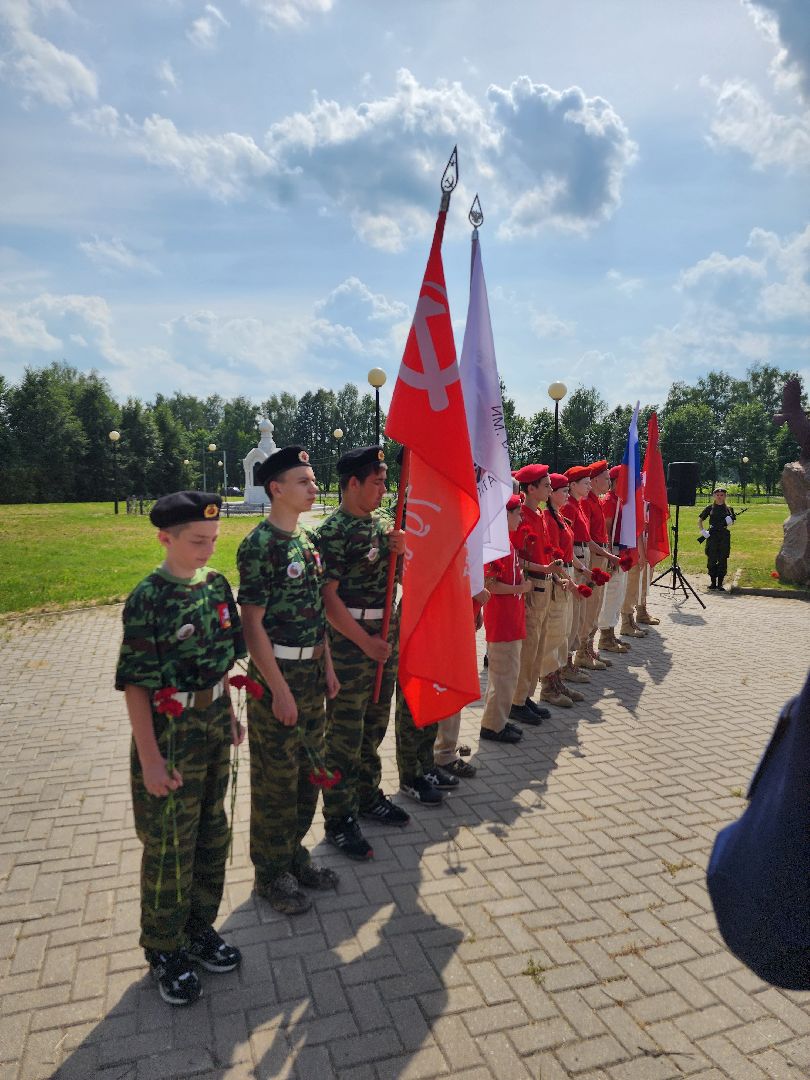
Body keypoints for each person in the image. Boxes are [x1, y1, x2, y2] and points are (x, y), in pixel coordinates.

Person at [116, 491, 246, 1006]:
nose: (208, 550)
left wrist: (230, 715)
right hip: (170, 738)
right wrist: (149, 758)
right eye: (197, 541)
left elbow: (221, 662)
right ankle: (164, 948)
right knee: (170, 844)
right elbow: (136, 685)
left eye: (213, 540)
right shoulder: (148, 597)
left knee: (212, 834)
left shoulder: (215, 585)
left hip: (214, 725)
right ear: (164, 539)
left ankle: (198, 928)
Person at [237, 446, 340, 917]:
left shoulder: (308, 543)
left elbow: (319, 614)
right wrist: (278, 690)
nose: (313, 488)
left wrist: (329, 666)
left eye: (314, 480)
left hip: (311, 673)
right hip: (276, 676)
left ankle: (295, 857)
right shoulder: (259, 546)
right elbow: (252, 625)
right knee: (276, 780)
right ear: (276, 488)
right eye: (305, 481)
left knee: (307, 775)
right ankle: (270, 874)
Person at [315, 445, 409, 861]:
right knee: (343, 735)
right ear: (353, 483)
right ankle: (339, 817)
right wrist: (364, 641)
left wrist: (400, 551)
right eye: (377, 482)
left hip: (382, 638)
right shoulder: (331, 532)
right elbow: (328, 600)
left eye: (386, 482)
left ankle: (368, 795)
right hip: (351, 645)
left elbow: (399, 576)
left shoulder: (382, 524)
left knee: (374, 723)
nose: (383, 490)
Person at [480, 494, 533, 743]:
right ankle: (492, 726)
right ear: (505, 516)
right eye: (517, 513)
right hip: (501, 620)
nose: (521, 518)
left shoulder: (506, 543)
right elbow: (490, 585)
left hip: (512, 618)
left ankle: (499, 721)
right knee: (502, 674)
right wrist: (520, 589)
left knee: (509, 674)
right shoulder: (494, 547)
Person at [508, 464, 557, 726]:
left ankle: (526, 696)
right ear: (531, 488)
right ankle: (516, 701)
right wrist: (543, 568)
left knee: (538, 646)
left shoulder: (538, 514)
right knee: (528, 648)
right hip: (532, 586)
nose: (550, 489)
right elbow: (517, 559)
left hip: (545, 584)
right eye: (546, 485)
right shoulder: (522, 517)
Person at [597, 465, 631, 655]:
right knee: (611, 594)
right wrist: (610, 555)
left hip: (622, 550)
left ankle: (611, 631)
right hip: (614, 549)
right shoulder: (610, 501)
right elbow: (607, 530)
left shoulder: (621, 501)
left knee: (619, 593)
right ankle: (605, 635)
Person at [699, 487, 737, 590]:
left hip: (724, 536)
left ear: (725, 496)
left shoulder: (729, 508)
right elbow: (700, 520)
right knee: (711, 559)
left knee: (722, 558)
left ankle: (720, 583)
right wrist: (703, 531)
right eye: (717, 495)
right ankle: (713, 582)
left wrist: (729, 521)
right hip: (712, 535)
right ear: (714, 496)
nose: (719, 497)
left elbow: (732, 522)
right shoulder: (710, 508)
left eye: (722, 495)